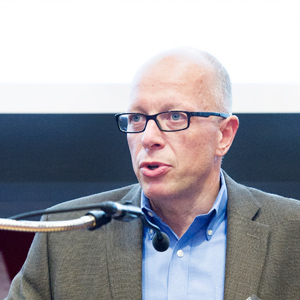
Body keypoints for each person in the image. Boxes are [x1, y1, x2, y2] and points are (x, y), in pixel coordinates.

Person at [5, 47, 300, 300]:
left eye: (174, 116)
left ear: (224, 135)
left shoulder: (292, 231)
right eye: (136, 118)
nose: (148, 138)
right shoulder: (65, 233)